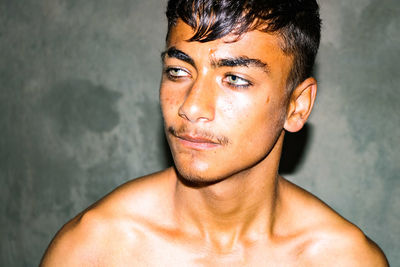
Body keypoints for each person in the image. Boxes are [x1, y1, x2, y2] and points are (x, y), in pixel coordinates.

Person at [41, 0, 388, 266]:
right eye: (178, 71)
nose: (191, 107)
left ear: (297, 106)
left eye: (235, 79)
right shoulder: (93, 250)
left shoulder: (344, 259)